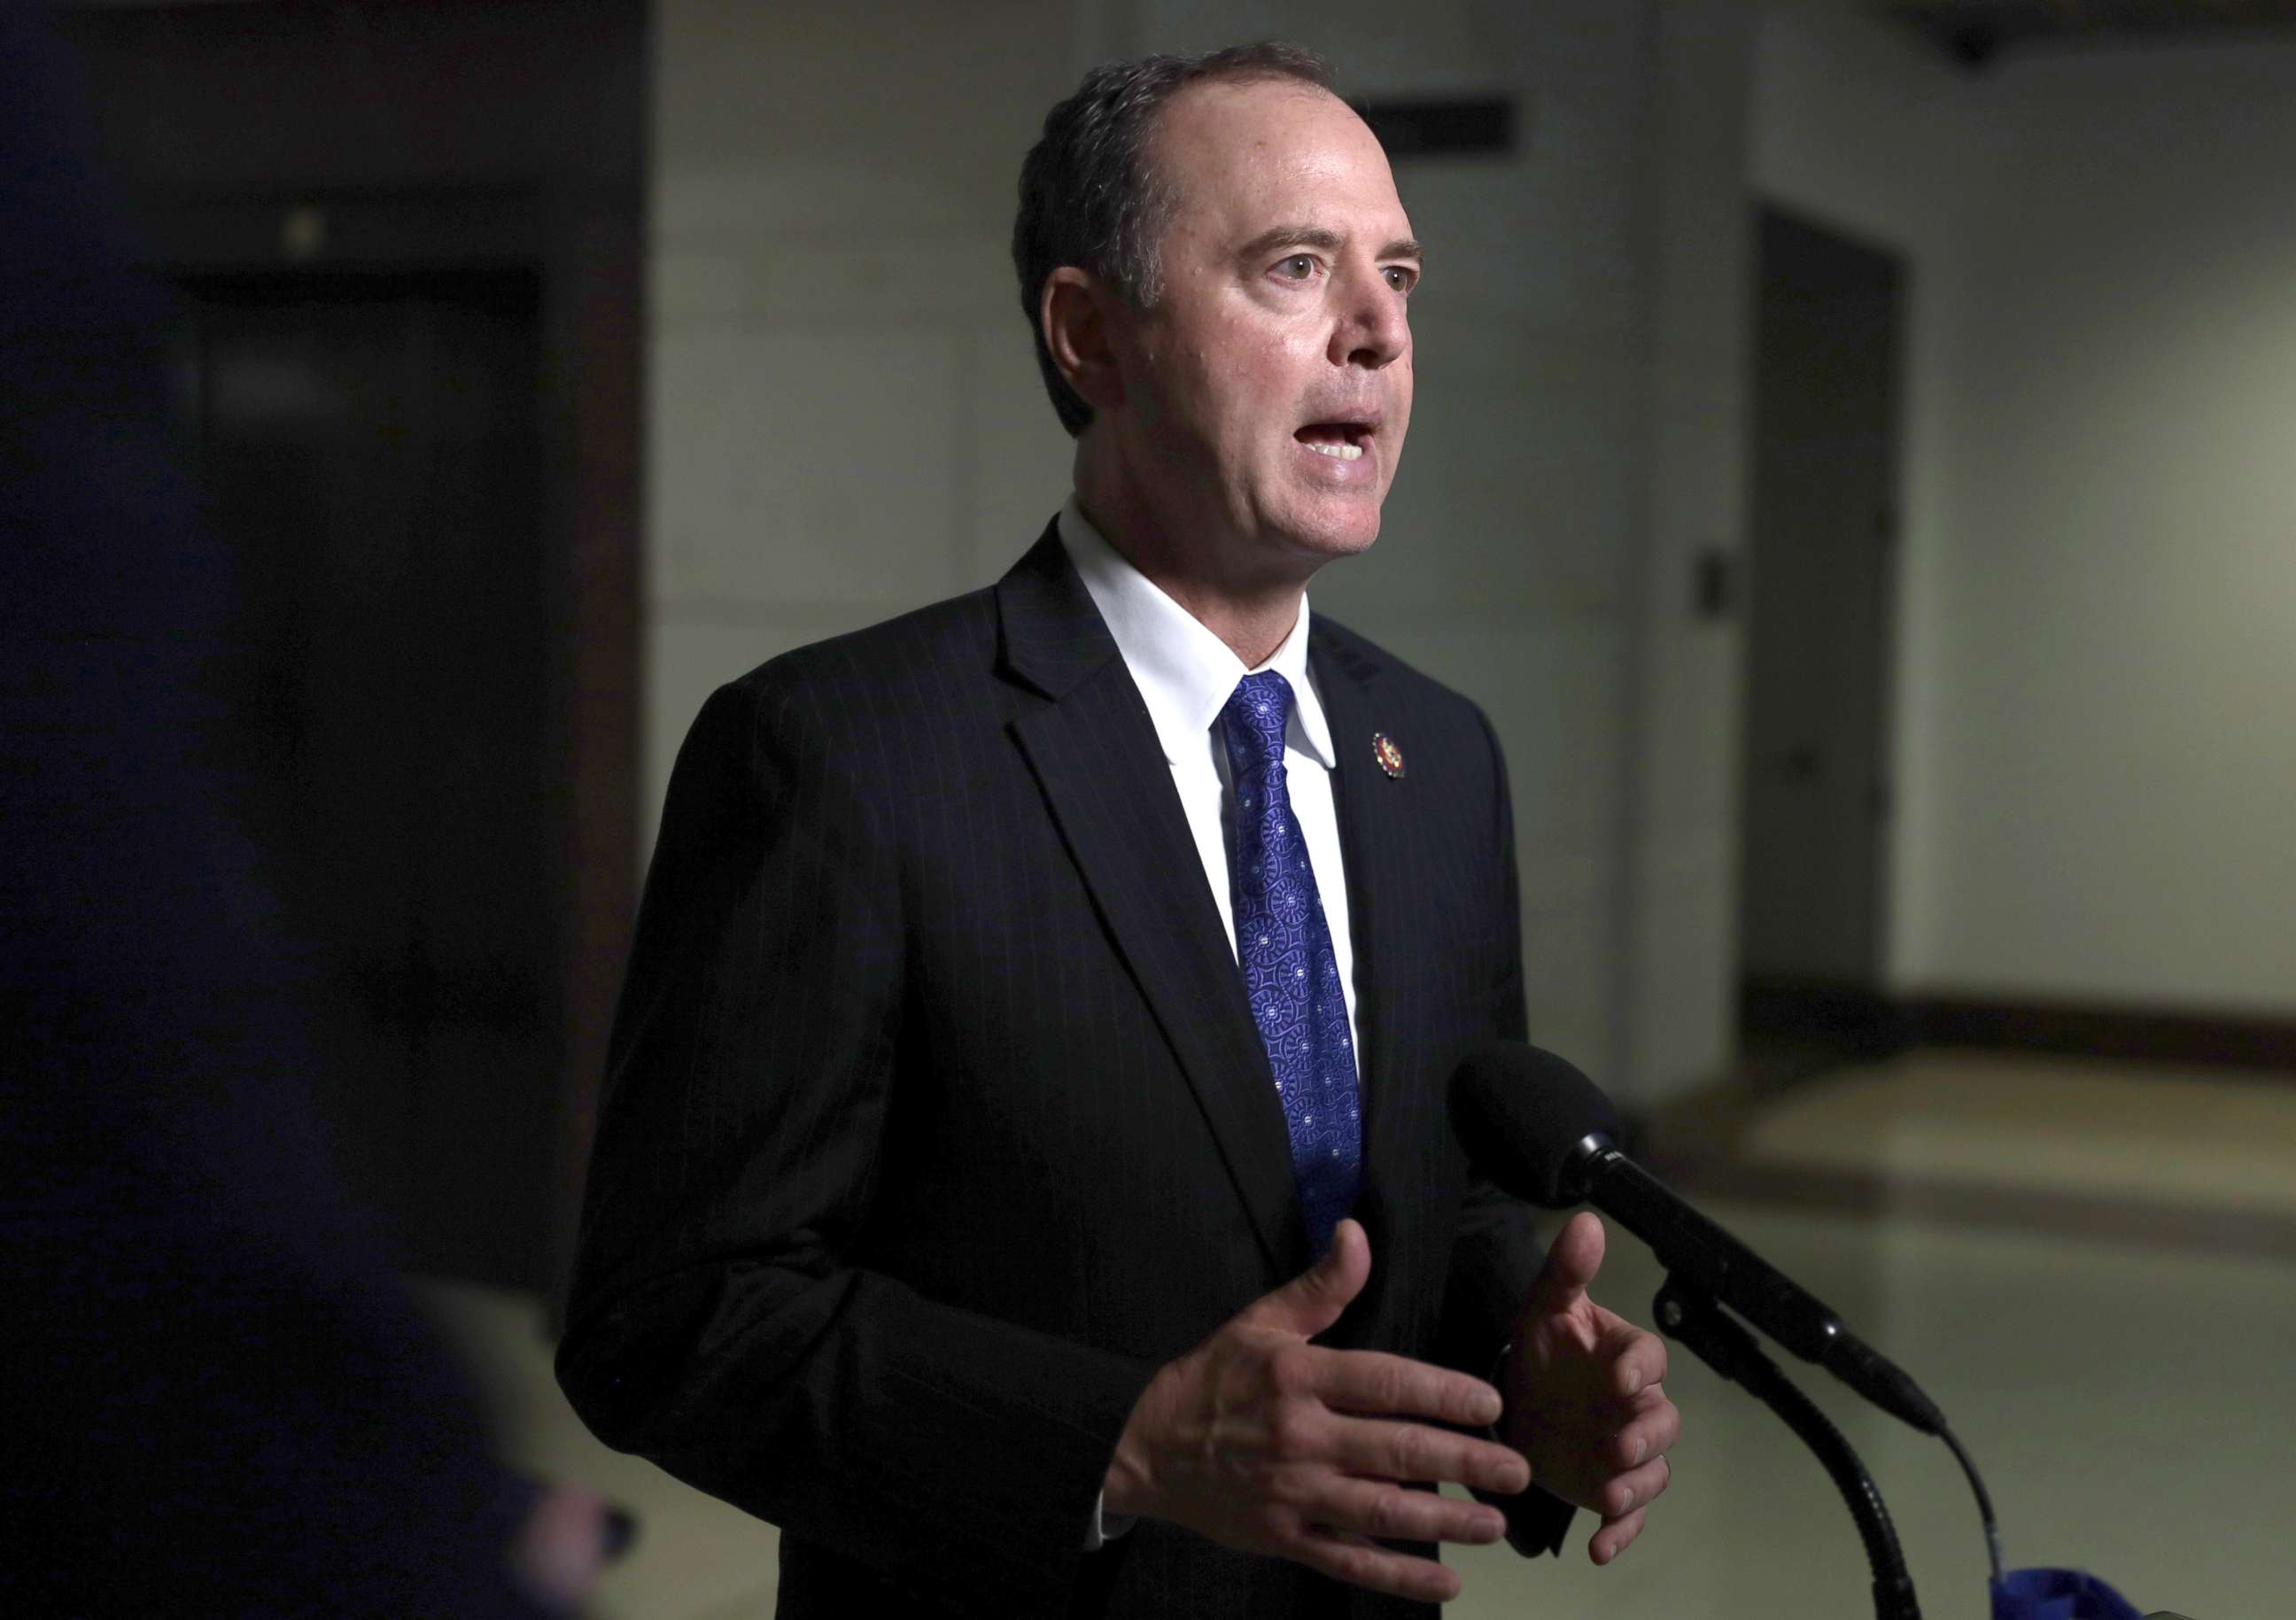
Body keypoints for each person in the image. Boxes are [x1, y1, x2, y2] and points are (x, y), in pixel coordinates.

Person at [557, 43, 1678, 1619]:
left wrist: (1523, 1370)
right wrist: (1125, 1445)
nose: (1379, 333)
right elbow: (673, 1316)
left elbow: (1446, 1197)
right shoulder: (839, 756)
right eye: (1297, 267)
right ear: (1091, 333)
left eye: (1401, 277)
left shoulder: (1439, 756)